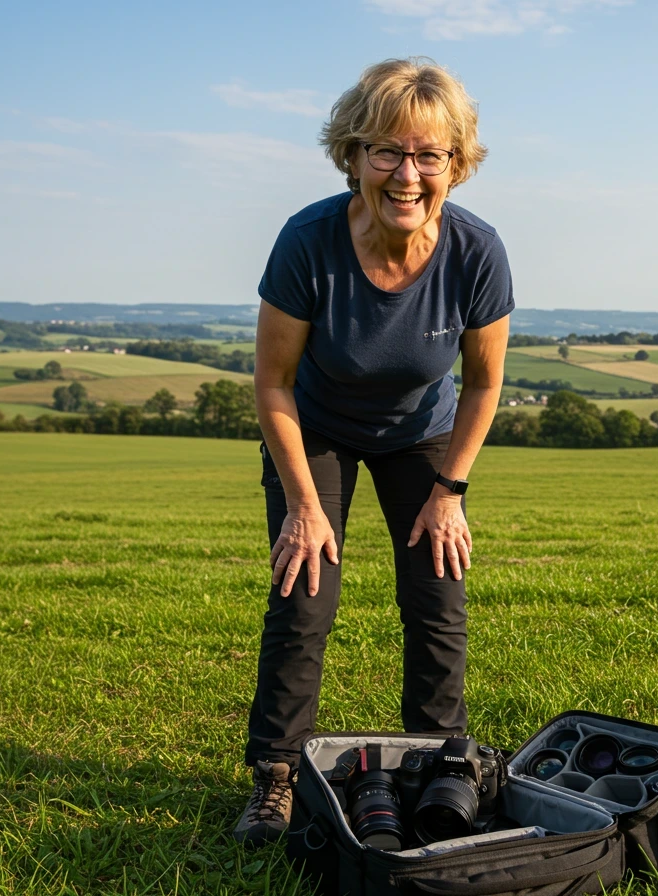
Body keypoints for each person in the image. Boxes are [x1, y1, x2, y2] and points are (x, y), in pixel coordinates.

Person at [232, 58, 514, 847]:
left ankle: (438, 767)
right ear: (352, 154)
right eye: (386, 151)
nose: (407, 174)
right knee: (304, 590)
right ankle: (278, 779)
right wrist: (303, 504)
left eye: (429, 155)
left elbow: (485, 384)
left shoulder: (476, 252)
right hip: (313, 425)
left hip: (423, 433)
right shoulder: (308, 241)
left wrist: (449, 489)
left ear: (455, 165)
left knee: (438, 594)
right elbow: (273, 384)